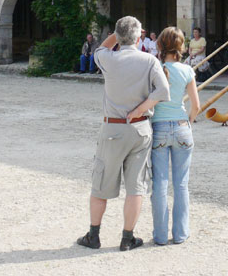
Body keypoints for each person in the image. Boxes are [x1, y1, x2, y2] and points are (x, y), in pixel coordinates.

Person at [76, 16, 170, 252]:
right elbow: (163, 90)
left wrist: (117, 36)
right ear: (139, 37)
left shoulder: (108, 57)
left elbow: (101, 47)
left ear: (117, 37)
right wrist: (141, 108)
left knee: (101, 184)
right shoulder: (149, 60)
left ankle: (94, 235)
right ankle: (127, 237)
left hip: (113, 127)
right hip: (139, 127)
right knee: (136, 186)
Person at [150, 27, 200, 246]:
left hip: (159, 126)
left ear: (160, 45)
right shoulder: (187, 69)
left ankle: (160, 235)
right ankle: (180, 233)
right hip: (181, 125)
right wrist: (188, 122)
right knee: (181, 184)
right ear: (181, 46)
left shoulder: (155, 68)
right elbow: (196, 106)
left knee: (159, 183)